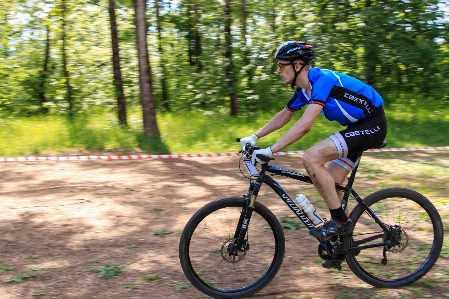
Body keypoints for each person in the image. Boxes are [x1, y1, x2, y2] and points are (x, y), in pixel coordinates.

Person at [239, 41, 387, 268]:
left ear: (298, 65)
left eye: (281, 66)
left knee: (311, 157)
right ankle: (343, 247)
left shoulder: (322, 81)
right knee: (332, 185)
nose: (278, 71)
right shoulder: (304, 90)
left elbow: (305, 124)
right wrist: (255, 137)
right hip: (356, 128)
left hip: (372, 124)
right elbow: (285, 115)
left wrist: (271, 150)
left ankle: (340, 223)